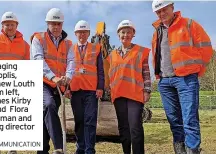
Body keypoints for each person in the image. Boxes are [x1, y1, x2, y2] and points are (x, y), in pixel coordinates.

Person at [151, 0, 213, 153]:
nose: (162, 13)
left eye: (164, 9)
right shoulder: (157, 31)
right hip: (165, 81)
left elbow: (206, 48)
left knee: (189, 118)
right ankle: (180, 150)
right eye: (158, 12)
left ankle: (193, 149)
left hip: (186, 79)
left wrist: (197, 69)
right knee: (174, 120)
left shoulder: (189, 24)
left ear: (172, 7)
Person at [0, 11, 30, 154]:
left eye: (12, 24)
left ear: (17, 25)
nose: (9, 27)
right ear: (2, 25)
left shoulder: (25, 45)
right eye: (7, 24)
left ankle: (12, 148)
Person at [30, 8, 75, 154]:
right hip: (42, 83)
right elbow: (38, 59)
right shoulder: (39, 39)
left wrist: (68, 76)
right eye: (52, 24)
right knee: (49, 105)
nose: (56, 27)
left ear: (62, 24)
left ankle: (42, 151)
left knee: (45, 117)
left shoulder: (68, 44)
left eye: (58, 24)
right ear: (47, 24)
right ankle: (59, 147)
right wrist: (52, 76)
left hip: (58, 87)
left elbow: (72, 61)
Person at [107, 20, 151, 154]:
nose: (125, 35)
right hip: (118, 95)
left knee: (135, 128)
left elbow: (146, 72)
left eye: (128, 32)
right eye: (123, 32)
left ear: (133, 34)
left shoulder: (140, 51)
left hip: (135, 95)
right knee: (123, 128)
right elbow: (110, 75)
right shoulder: (112, 55)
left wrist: (147, 90)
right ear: (118, 34)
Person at [66, 20, 104, 154]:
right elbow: (66, 69)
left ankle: (89, 150)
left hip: (91, 90)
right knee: (79, 120)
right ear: (75, 33)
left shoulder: (96, 48)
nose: (82, 34)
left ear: (88, 33)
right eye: (79, 32)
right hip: (75, 90)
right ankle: (80, 148)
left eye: (84, 32)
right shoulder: (70, 49)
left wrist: (100, 87)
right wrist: (67, 88)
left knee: (90, 120)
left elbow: (100, 69)